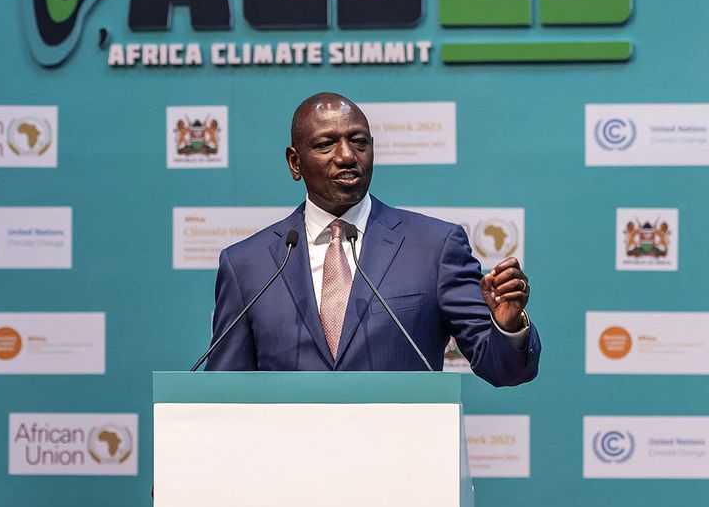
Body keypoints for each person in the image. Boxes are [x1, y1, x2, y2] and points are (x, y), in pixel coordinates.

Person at [205, 92, 540, 386]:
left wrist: (506, 325)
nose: (347, 156)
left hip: (400, 453)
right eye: (326, 144)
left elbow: (504, 370)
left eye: (359, 141)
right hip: (287, 454)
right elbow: (222, 392)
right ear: (295, 162)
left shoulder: (434, 247)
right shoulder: (248, 265)